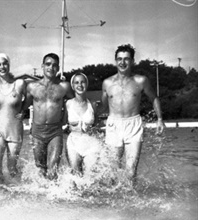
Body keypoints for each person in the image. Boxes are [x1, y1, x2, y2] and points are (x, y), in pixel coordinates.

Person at [101, 44, 165, 185]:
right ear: (115, 61)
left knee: (131, 171)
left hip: (133, 125)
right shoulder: (107, 83)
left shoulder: (141, 81)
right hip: (113, 125)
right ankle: (111, 204)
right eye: (119, 59)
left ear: (132, 61)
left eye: (126, 59)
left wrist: (160, 119)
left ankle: (131, 204)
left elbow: (154, 98)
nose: (122, 62)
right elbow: (103, 106)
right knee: (112, 171)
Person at [24, 53, 74, 180]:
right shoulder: (32, 87)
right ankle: (42, 198)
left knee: (53, 171)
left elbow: (75, 103)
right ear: (42, 66)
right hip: (37, 132)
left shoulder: (64, 87)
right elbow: (22, 107)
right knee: (40, 170)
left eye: (54, 65)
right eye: (48, 64)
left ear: (58, 68)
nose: (51, 67)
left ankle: (54, 198)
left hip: (55, 132)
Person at [0, 53, 26, 183]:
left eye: (4, 63)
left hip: (15, 129)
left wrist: (23, 111)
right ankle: (0, 192)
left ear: (9, 65)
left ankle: (15, 191)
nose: (2, 67)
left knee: (11, 168)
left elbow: (29, 99)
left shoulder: (19, 84)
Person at [65, 73, 102, 177]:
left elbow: (98, 125)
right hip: (74, 143)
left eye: (83, 82)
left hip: (91, 144)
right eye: (76, 82)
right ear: (72, 86)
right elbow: (62, 123)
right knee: (76, 176)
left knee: (90, 177)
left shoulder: (93, 104)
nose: (80, 85)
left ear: (87, 84)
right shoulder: (68, 104)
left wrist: (93, 129)